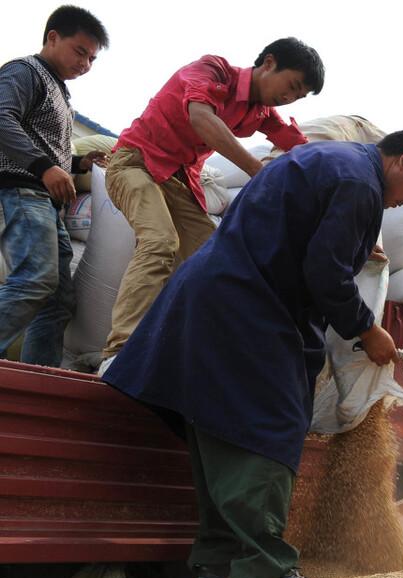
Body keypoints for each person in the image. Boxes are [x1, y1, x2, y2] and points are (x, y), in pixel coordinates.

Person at [102, 129, 403, 578]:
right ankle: (264, 576)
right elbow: (325, 274)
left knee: (215, 424)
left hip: (211, 294)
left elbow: (293, 228)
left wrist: (352, 245)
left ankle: (219, 563)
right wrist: (367, 330)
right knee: (269, 429)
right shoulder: (360, 184)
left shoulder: (328, 159)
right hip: (249, 309)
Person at [97, 37, 325, 374]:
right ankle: (119, 353)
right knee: (160, 242)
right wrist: (256, 170)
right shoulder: (213, 70)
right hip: (134, 163)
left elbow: (301, 151)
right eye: (291, 85)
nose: (290, 98)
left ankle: (184, 355)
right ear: (269, 63)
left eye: (299, 96)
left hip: (178, 181)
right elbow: (201, 117)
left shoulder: (262, 112)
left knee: (213, 263)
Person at [0, 6, 108, 366]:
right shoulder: (25, 71)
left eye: (92, 59)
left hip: (47, 201)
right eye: (80, 52)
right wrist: (45, 167)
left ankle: (38, 381)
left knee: (58, 302)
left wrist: (78, 164)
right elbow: (1, 116)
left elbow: (45, 143)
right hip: (22, 190)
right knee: (35, 279)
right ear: (52, 37)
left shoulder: (60, 93)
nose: (86, 65)